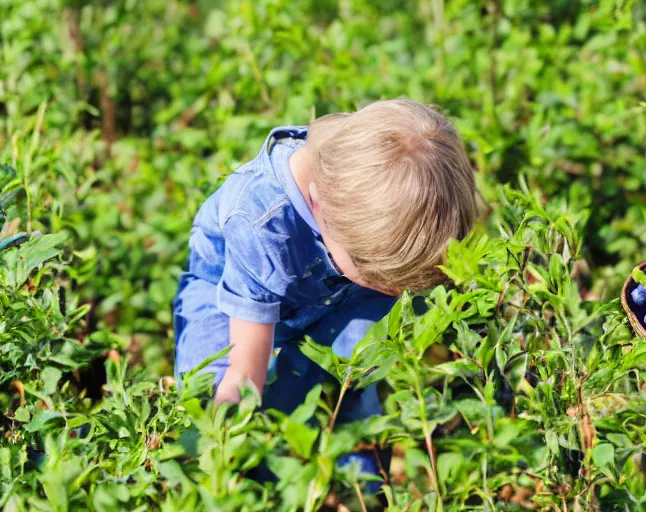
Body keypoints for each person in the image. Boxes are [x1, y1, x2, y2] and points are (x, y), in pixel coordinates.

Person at [172, 99, 479, 484]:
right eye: (379, 275)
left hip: (331, 289)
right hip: (228, 292)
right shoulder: (261, 224)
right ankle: (253, 483)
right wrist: (224, 446)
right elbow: (243, 374)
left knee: (353, 372)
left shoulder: (372, 181)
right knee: (212, 389)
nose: (397, 292)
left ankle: (361, 474)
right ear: (319, 206)